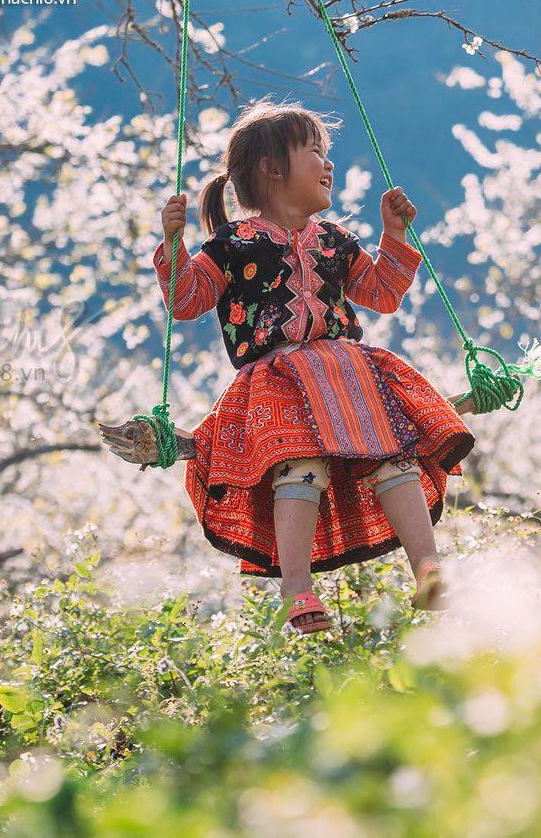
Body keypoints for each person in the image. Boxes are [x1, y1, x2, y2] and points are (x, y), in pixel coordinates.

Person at [100, 100, 476, 636]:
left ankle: (428, 568)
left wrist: (393, 234)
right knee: (299, 467)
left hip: (348, 371)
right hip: (278, 381)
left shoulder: (334, 240)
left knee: (395, 458)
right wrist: (172, 246)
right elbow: (185, 301)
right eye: (315, 152)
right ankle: (296, 586)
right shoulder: (231, 245)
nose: (329, 165)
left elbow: (382, 294)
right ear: (272, 169)